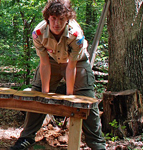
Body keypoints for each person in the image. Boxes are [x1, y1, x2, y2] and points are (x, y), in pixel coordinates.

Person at [9, 0, 106, 149]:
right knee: (37, 96)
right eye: (53, 19)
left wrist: (69, 98)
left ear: (67, 19)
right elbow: (44, 63)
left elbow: (71, 66)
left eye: (61, 19)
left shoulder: (76, 35)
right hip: (51, 61)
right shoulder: (38, 33)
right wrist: (45, 95)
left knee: (87, 100)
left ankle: (97, 144)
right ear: (47, 19)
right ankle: (26, 138)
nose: (57, 23)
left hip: (77, 63)